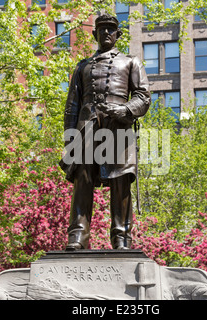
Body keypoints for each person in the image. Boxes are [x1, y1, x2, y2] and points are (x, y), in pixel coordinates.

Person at [59, 13, 151, 250]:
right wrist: (70, 141)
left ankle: (121, 237)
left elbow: (143, 96)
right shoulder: (82, 67)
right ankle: (78, 236)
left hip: (118, 127)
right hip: (86, 127)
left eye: (111, 29)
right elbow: (72, 106)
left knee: (121, 181)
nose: (106, 33)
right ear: (95, 34)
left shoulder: (131, 62)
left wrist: (125, 110)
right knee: (83, 179)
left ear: (118, 34)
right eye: (102, 30)